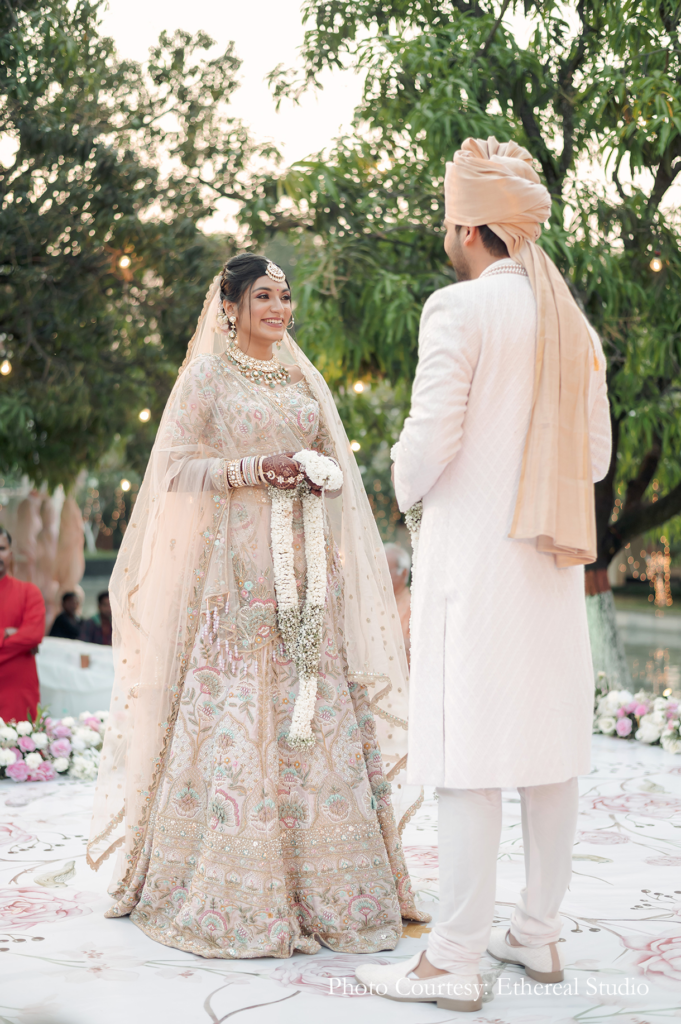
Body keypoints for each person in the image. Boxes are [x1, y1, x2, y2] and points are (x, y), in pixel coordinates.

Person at [88, 253, 428, 959]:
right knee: (242, 711)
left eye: (285, 296)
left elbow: (334, 464)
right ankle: (232, 882)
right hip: (237, 573)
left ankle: (329, 885)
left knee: (313, 713)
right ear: (231, 307)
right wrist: (250, 471)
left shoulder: (304, 377)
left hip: (307, 572)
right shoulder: (208, 374)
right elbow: (174, 466)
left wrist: (319, 477)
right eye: (264, 296)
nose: (279, 308)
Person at [356, 137, 611, 1012]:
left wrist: (396, 484)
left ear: (466, 228)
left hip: (473, 566)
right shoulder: (569, 321)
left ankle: (453, 962)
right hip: (548, 570)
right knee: (546, 756)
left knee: (464, 756)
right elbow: (600, 458)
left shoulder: (457, 309)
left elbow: (426, 446)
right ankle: (536, 938)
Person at [0, 527, 45, 722]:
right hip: (18, 669)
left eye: (1, 548)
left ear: (10, 554)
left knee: (20, 748)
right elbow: (26, 638)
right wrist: (5, 634)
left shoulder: (29, 592)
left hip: (18, 691)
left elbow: (33, 635)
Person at [384, 542, 412, 666]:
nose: (380, 576)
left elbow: (417, 645)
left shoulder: (414, 606)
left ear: (404, 573)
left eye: (386, 570)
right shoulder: (373, 602)